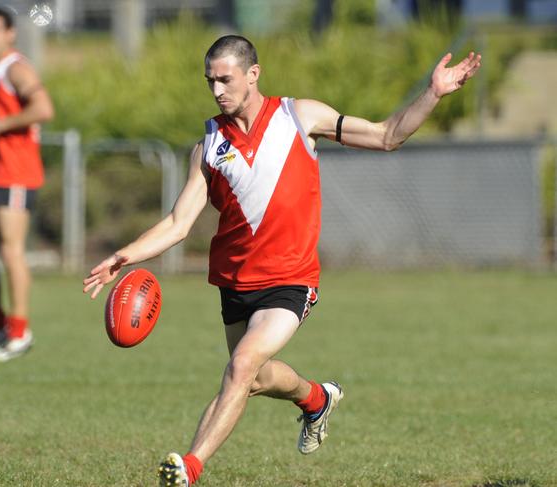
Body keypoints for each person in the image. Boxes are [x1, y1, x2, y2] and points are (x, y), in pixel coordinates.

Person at [82, 35, 481, 486]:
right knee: (251, 376)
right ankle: (314, 399)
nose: (217, 90)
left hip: (291, 279)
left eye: (225, 79)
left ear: (254, 73)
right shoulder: (208, 146)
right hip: (234, 283)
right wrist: (124, 255)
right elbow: (177, 223)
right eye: (210, 81)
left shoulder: (299, 116)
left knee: (241, 365)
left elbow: (386, 136)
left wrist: (432, 94)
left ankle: (189, 468)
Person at [0, 6, 54, 362]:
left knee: (10, 250)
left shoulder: (16, 68)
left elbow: (43, 109)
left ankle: (19, 332)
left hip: (14, 173)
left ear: (10, 34)